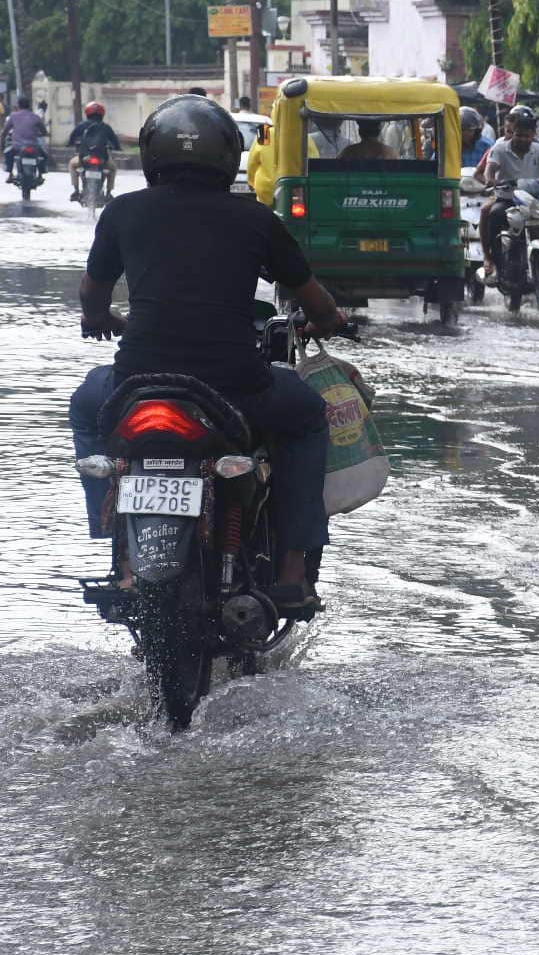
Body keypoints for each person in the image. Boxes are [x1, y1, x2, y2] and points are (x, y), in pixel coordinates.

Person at [67, 94, 345, 608]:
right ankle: (292, 567)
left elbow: (92, 294)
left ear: (152, 154)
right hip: (235, 387)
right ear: (227, 156)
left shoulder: (123, 211)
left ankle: (116, 544)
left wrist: (99, 320)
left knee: (85, 404)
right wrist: (331, 320)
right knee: (308, 417)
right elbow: (312, 297)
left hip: (135, 386)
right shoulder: (255, 219)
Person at [478, 106, 539, 284]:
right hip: (508, 198)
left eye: (526, 135)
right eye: (518, 134)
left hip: (535, 200)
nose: (522, 139)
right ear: (512, 132)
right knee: (494, 215)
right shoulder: (500, 147)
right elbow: (490, 168)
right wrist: (490, 179)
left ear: (533, 135)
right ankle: (494, 263)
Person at [67, 101, 122, 200]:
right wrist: (118, 148)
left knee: (72, 165)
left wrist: (70, 144)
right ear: (102, 114)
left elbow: (72, 138)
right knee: (113, 169)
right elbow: (115, 142)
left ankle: (76, 190)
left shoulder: (81, 126)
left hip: (84, 158)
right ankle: (109, 193)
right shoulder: (106, 127)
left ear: (87, 113)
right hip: (102, 159)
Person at [3, 96, 47, 183]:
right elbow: (44, 131)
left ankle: (10, 173)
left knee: (7, 153)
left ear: (18, 105)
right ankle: (41, 174)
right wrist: (41, 134)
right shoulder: (35, 116)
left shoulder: (13, 116)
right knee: (44, 155)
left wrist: (2, 140)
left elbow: (5, 131)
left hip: (17, 147)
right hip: (33, 146)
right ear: (29, 105)